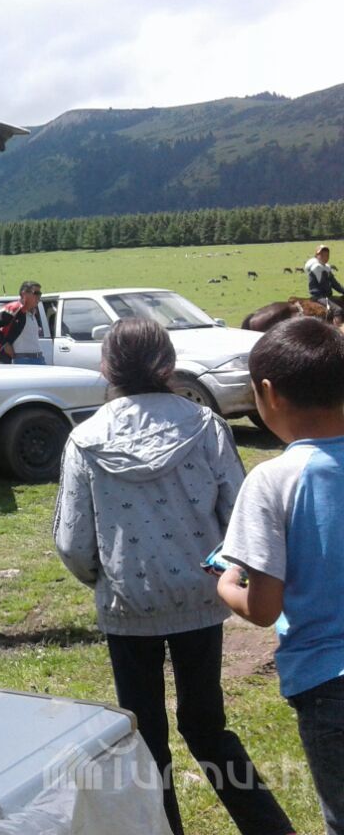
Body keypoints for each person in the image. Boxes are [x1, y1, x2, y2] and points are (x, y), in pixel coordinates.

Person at [53, 318, 294, 835]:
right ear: (167, 364)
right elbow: (239, 515)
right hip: (200, 598)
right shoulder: (206, 427)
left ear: (106, 367)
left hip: (127, 605)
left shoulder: (84, 440)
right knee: (207, 726)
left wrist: (106, 577)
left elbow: (72, 542)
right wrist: (218, 570)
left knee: (144, 738)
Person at [217, 317, 344, 835]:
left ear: (267, 393)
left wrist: (227, 583)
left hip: (327, 686)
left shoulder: (272, 480)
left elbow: (264, 608)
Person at [0, 281, 46, 364]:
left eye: (40, 294)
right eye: (36, 293)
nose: (38, 297)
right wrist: (5, 344)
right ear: (24, 294)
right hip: (21, 359)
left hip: (38, 358)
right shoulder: (15, 308)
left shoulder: (33, 312)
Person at [304, 244, 344, 319]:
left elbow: (335, 284)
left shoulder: (326, 267)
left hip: (327, 296)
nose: (325, 257)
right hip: (319, 297)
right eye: (322, 255)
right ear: (317, 256)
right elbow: (324, 284)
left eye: (327, 255)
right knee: (338, 310)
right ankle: (338, 326)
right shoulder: (316, 267)